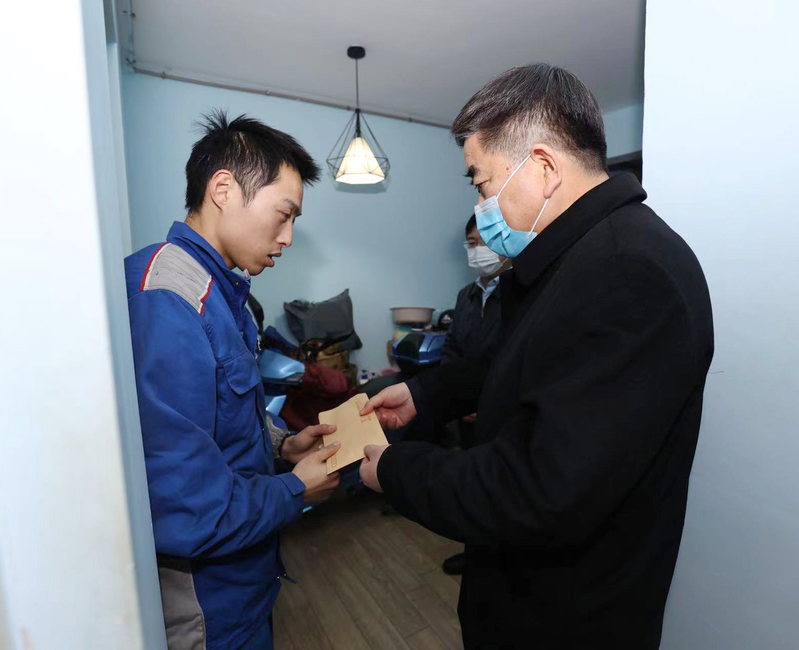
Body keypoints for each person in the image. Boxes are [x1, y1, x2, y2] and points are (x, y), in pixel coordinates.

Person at [359, 63, 714, 649]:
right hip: (519, 597)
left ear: (544, 168)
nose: (481, 205)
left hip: (571, 621)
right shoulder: (572, 258)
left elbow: (538, 490)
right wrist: (424, 395)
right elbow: (520, 359)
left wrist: (397, 472)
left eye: (481, 183)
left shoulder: (628, 272)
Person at [125, 111, 340, 650]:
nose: (287, 238)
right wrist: (296, 488)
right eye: (283, 215)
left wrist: (283, 444)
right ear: (223, 190)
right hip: (206, 607)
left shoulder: (223, 294)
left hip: (244, 584)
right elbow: (187, 507)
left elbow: (225, 414)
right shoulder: (167, 302)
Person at [438, 214, 509, 575]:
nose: (478, 249)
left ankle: (500, 562)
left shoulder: (522, 294)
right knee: (471, 487)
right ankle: (475, 555)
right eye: (471, 243)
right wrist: (457, 399)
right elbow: (451, 352)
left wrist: (488, 402)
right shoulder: (465, 297)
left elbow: (514, 359)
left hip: (503, 414)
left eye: (485, 241)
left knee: (502, 491)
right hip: (466, 413)